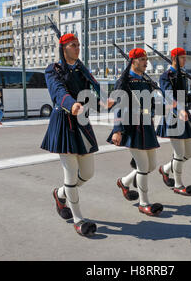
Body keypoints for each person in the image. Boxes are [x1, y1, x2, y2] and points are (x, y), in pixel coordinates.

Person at [41, 33, 111, 237]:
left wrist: (102, 102)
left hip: (82, 122)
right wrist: (72, 104)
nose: (77, 48)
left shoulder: (81, 70)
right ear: (64, 48)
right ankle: (78, 218)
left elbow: (89, 94)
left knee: (87, 173)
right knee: (70, 174)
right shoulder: (53, 69)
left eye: (79, 45)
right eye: (73, 45)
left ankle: (60, 193)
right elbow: (57, 91)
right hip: (64, 122)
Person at [108, 48, 164, 217]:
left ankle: (124, 182)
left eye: (146, 59)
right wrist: (117, 130)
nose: (146, 62)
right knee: (142, 166)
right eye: (143, 59)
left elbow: (150, 103)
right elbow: (118, 106)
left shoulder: (145, 81)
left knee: (151, 165)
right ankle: (144, 203)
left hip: (146, 125)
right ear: (133, 61)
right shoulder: (124, 81)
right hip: (131, 127)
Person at [156, 48, 191, 196]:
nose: (185, 60)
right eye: (182, 58)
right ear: (174, 58)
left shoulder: (182, 75)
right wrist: (179, 109)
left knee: (189, 153)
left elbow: (184, 97)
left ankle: (166, 169)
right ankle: (178, 185)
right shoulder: (166, 76)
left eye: (185, 58)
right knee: (179, 153)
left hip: (184, 114)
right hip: (173, 115)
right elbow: (169, 96)